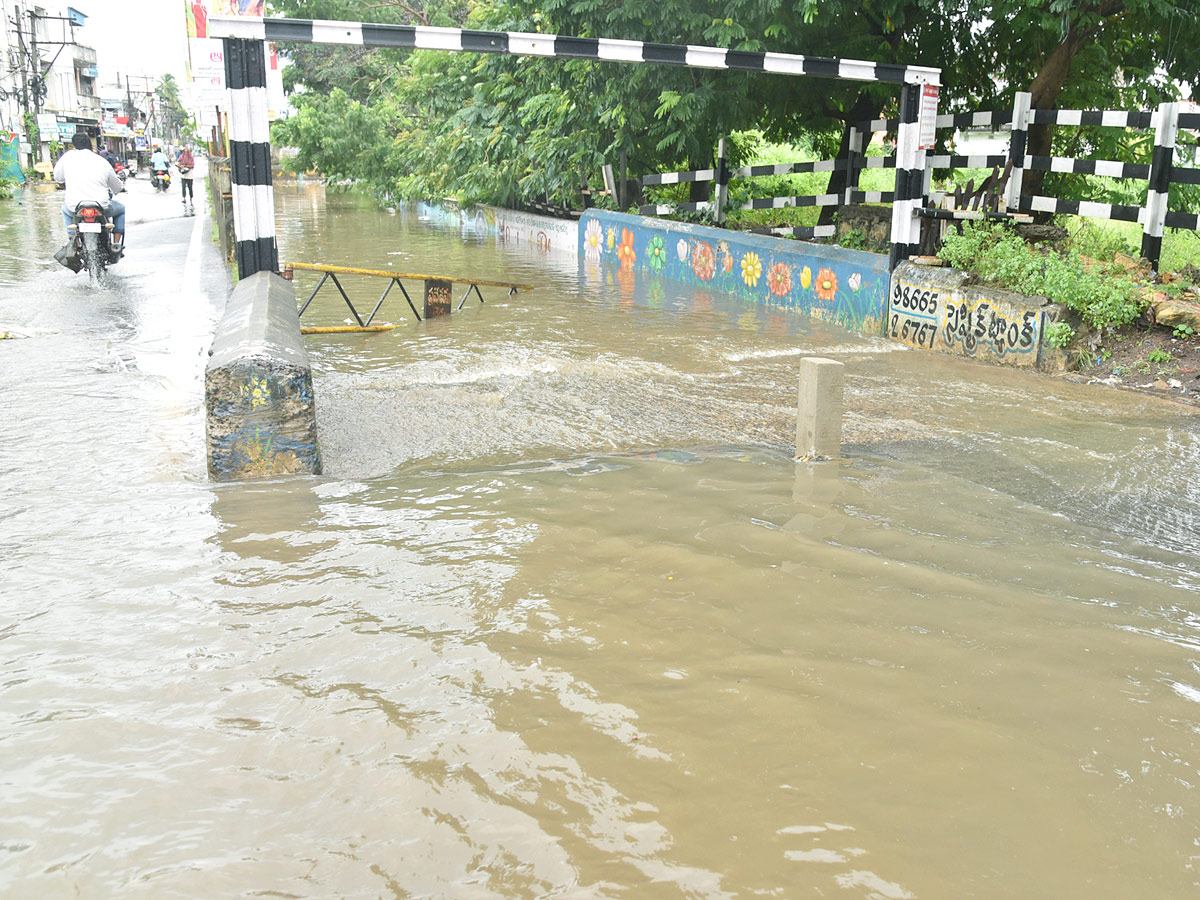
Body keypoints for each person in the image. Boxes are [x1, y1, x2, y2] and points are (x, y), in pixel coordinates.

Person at [52, 132, 125, 251]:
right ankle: (116, 244)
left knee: (65, 210)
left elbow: (58, 178)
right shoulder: (102, 161)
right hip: (101, 206)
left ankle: (73, 241)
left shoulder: (67, 157)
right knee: (121, 210)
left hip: (75, 207)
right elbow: (116, 187)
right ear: (91, 145)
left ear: (74, 145)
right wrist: (121, 188)